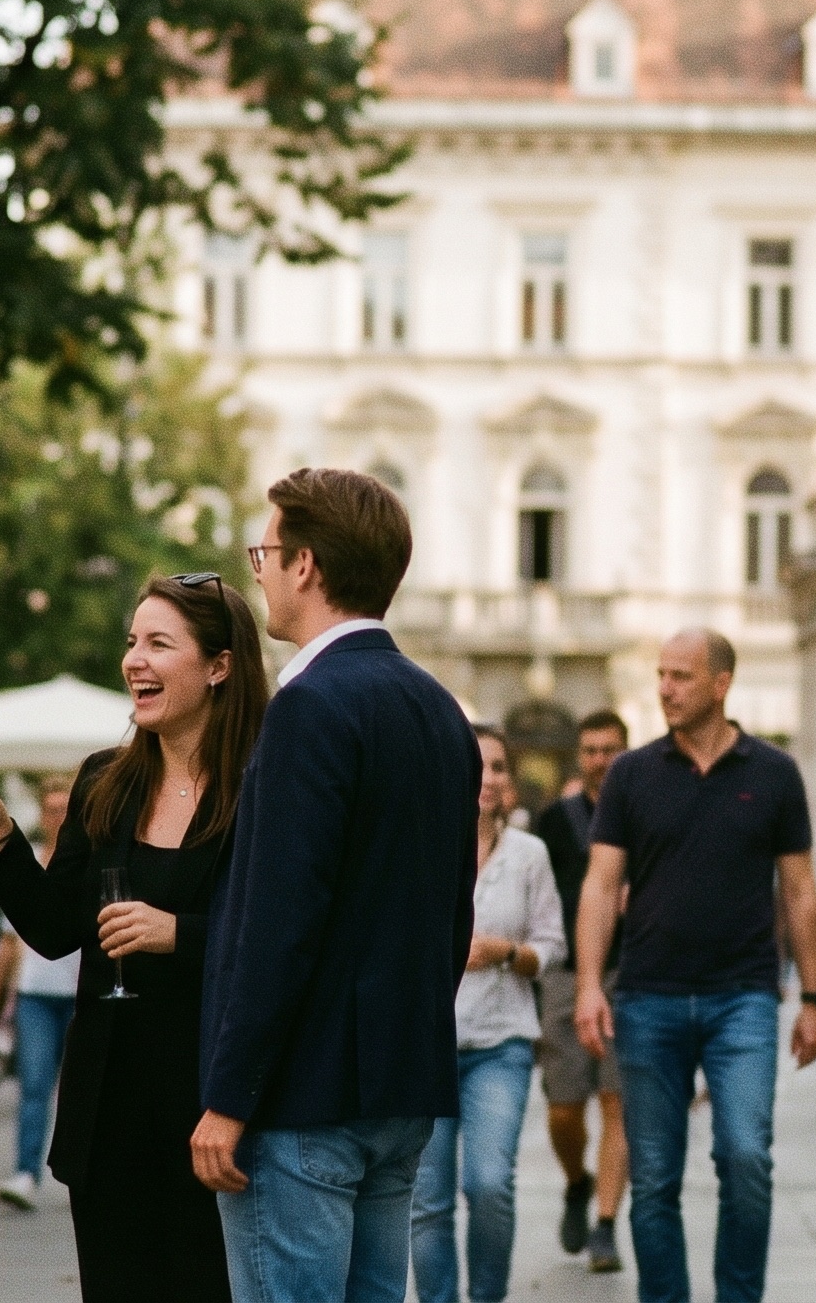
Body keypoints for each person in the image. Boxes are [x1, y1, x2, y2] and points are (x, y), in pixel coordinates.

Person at [0, 573, 268, 1301]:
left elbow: (282, 940)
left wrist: (181, 934)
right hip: (108, 1105)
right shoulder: (104, 781)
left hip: (212, 1103)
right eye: (131, 641)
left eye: (158, 644)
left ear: (219, 665)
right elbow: (55, 931)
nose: (133, 660)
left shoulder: (263, 787)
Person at [194, 469, 483, 1303]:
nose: (260, 573)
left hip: (304, 1095)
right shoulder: (438, 709)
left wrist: (230, 1096)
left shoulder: (310, 706)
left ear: (307, 565)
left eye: (267, 552)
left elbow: (279, 923)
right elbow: (450, 913)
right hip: (401, 1086)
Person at [572, 629, 816, 1303]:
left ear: (721, 683)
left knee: (745, 1159)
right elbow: (601, 885)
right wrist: (592, 984)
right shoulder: (631, 774)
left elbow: (800, 892)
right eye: (660, 674)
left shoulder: (773, 773)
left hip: (741, 996)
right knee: (654, 1178)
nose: (664, 688)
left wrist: (815, 997)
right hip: (648, 996)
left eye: (681, 675)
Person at [410, 725, 565, 1303]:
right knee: (428, 1201)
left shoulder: (531, 856)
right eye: (478, 765)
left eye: (499, 767)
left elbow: (552, 947)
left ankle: (488, 1296)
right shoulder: (420, 848)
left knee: (490, 1184)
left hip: (501, 1044)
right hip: (427, 1047)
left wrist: (505, 952)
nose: (489, 777)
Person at [534, 709, 630, 1272]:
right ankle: (577, 1182)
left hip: (631, 975)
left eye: (610, 749)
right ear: (580, 756)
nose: (601, 761)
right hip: (567, 977)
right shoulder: (556, 819)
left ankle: (606, 1223)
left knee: (619, 1102)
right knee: (564, 1109)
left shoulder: (645, 812)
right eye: (591, 750)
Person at [0, 777, 80, 1212]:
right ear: (41, 815)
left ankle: (83, 1173)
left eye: (65, 809)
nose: (57, 817)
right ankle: (25, 1172)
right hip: (36, 993)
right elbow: (8, 944)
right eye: (51, 809)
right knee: (35, 1084)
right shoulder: (31, 867)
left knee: (82, 1090)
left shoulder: (88, 865)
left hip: (83, 995)